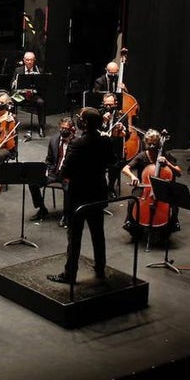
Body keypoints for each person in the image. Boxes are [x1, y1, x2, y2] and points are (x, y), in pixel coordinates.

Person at [47, 107, 115, 285]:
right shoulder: (106, 141)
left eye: (80, 118)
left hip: (78, 195)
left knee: (74, 236)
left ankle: (70, 274)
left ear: (84, 123)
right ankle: (100, 268)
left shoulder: (77, 144)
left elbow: (65, 171)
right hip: (98, 192)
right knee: (97, 233)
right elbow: (113, 162)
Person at [120, 129, 184, 236]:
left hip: (162, 187)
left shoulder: (165, 155)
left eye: (154, 143)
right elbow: (125, 168)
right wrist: (133, 177)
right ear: (146, 143)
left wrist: (167, 163)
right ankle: (130, 222)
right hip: (145, 186)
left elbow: (178, 173)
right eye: (149, 143)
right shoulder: (142, 156)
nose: (152, 146)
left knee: (173, 204)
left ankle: (173, 223)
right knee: (132, 201)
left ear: (159, 143)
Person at [29, 115, 76, 224]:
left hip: (69, 174)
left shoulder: (77, 142)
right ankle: (42, 208)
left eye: (66, 128)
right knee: (32, 181)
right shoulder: (54, 140)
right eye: (62, 128)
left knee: (69, 187)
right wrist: (47, 170)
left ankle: (67, 214)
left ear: (72, 129)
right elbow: (49, 159)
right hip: (54, 172)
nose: (63, 130)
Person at [11, 50, 46, 136]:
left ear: (34, 60)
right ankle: (12, 127)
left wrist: (38, 81)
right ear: (24, 60)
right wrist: (15, 82)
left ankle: (41, 127)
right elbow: (12, 85)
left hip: (34, 95)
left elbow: (43, 87)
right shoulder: (18, 70)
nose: (29, 62)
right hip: (21, 95)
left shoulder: (39, 70)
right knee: (11, 101)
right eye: (27, 60)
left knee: (41, 102)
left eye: (31, 60)